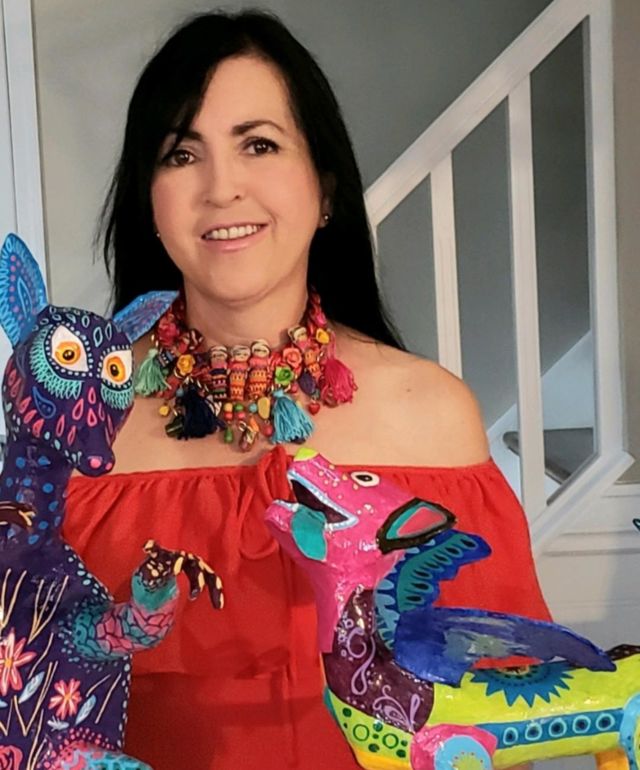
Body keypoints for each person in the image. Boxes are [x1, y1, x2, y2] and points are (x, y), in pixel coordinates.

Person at [63, 10, 551, 770]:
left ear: (324, 186)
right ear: (148, 201)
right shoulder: (76, 420)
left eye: (259, 144)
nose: (222, 187)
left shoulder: (431, 415)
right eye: (182, 154)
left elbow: (501, 712)